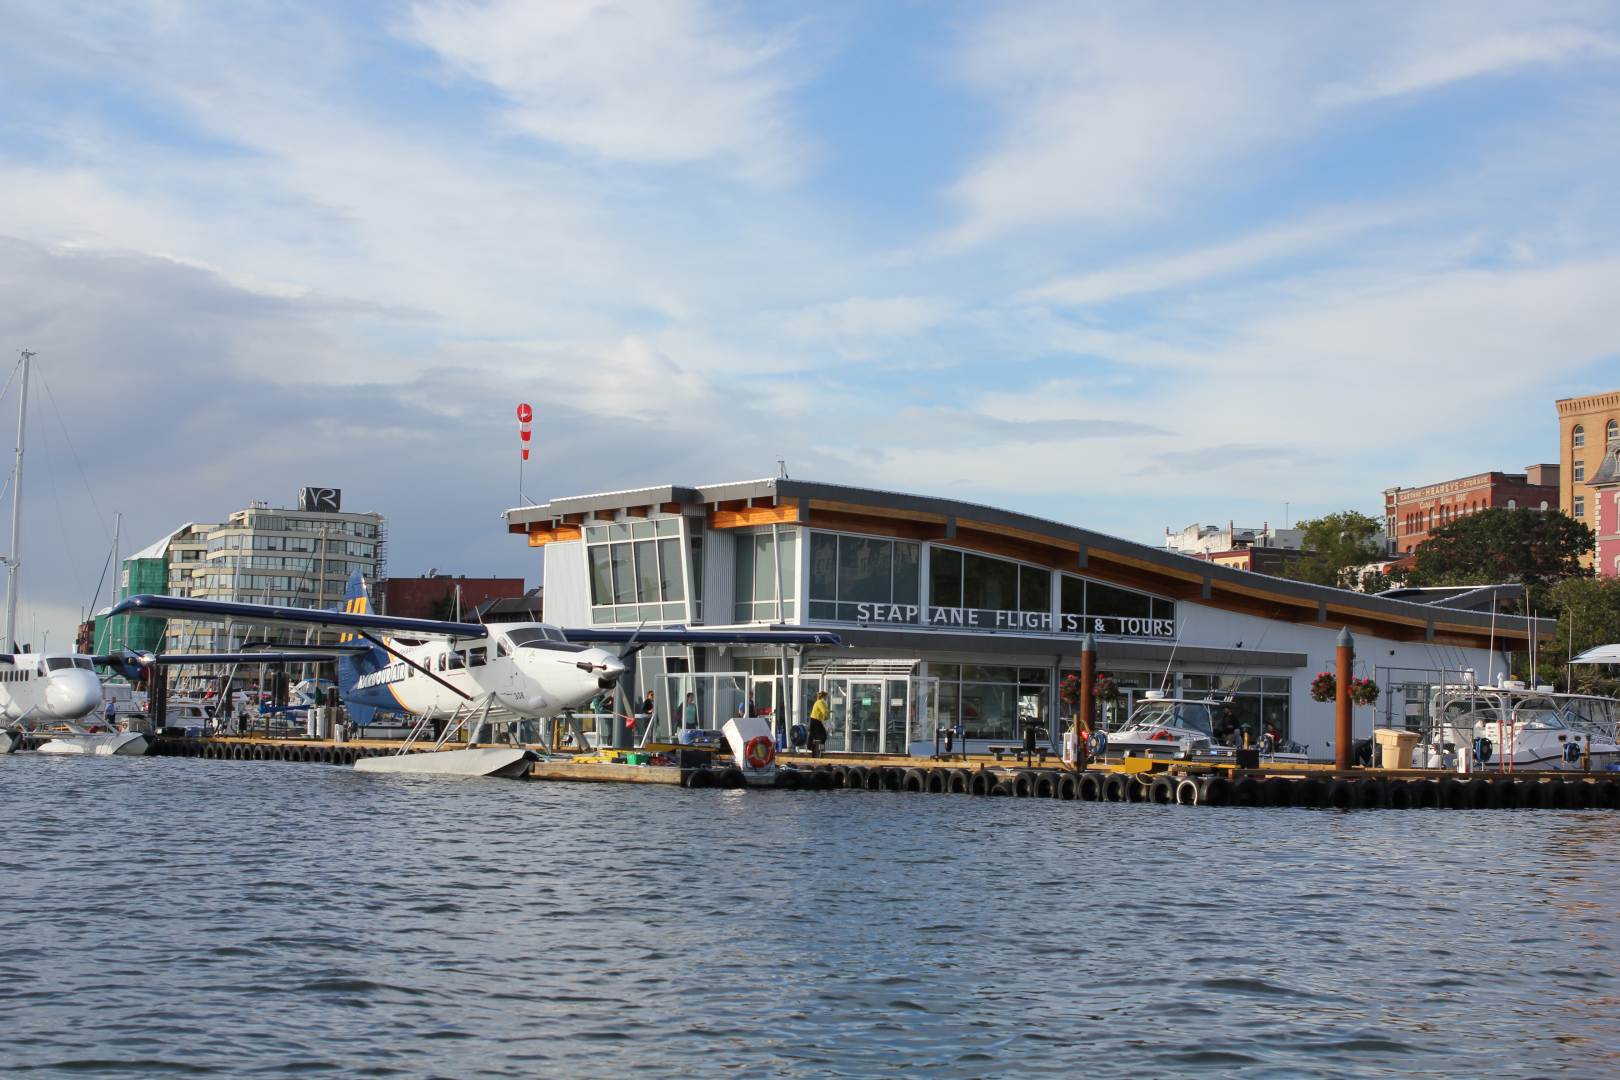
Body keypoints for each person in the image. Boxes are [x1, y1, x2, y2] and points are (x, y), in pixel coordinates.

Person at [808, 690, 830, 757]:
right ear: (823, 696)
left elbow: (824, 711)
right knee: (822, 736)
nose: (827, 698)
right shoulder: (820, 702)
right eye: (826, 697)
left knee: (815, 736)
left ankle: (815, 750)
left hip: (816, 720)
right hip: (816, 720)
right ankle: (819, 749)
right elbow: (824, 711)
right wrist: (827, 719)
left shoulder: (820, 702)